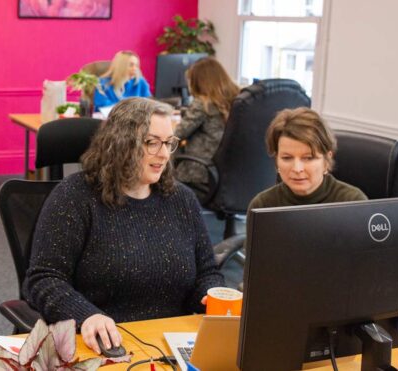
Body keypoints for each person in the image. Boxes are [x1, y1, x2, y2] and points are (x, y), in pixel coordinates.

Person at [23, 98, 224, 355]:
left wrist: (211, 295)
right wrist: (87, 316)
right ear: (121, 143)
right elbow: (44, 279)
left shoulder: (181, 199)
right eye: (151, 142)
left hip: (172, 344)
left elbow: (207, 271)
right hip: (104, 346)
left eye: (169, 143)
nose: (163, 154)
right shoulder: (75, 197)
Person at [249, 107, 367, 210]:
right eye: (287, 158)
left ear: (326, 161)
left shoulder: (353, 203)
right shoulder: (262, 206)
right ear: (276, 161)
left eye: (308, 158)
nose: (297, 168)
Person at [173, 57, 240, 198]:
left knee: (166, 147)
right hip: (231, 172)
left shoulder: (203, 103)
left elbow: (177, 134)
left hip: (201, 170)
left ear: (199, 81)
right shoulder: (239, 99)